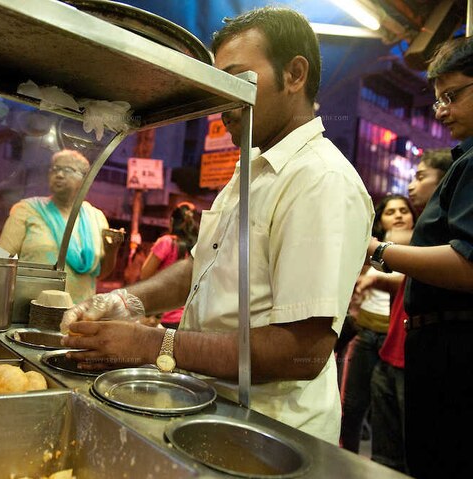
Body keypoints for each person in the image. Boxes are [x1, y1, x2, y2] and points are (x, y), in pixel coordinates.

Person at [60, 6, 373, 444]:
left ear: (294, 74)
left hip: (271, 432)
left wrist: (154, 346)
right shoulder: (250, 172)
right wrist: (131, 300)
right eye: (218, 81)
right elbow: (202, 264)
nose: (222, 99)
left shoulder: (320, 180)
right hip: (216, 408)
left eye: (238, 78)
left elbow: (302, 352)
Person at [366, 36, 473, 479]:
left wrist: (381, 251)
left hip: (455, 353)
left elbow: (468, 266)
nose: (442, 110)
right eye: (437, 100)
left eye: (452, 95)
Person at [368, 149, 453, 473]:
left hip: (415, 356)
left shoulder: (434, 232)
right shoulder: (425, 232)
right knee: (385, 453)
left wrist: (375, 249)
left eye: (420, 177)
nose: (411, 186)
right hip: (390, 352)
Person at [339, 194, 415, 453]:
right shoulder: (374, 249)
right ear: (381, 219)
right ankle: (345, 460)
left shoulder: (419, 247)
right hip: (366, 333)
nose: (398, 215)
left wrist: (377, 281)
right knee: (352, 405)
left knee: (391, 414)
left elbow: (408, 284)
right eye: (391, 211)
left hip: (397, 338)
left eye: (403, 210)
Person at [0, 149, 122, 303]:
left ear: (84, 179)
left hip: (79, 314)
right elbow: (1, 262)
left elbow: (99, 273)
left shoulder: (96, 217)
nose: (59, 175)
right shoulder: (27, 210)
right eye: (55, 169)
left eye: (67, 170)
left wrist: (112, 251)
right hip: (31, 310)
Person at [139, 202, 198, 328]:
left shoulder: (167, 242)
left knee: (162, 348)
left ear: (171, 221)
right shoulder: (196, 246)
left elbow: (145, 274)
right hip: (188, 317)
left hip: (163, 316)